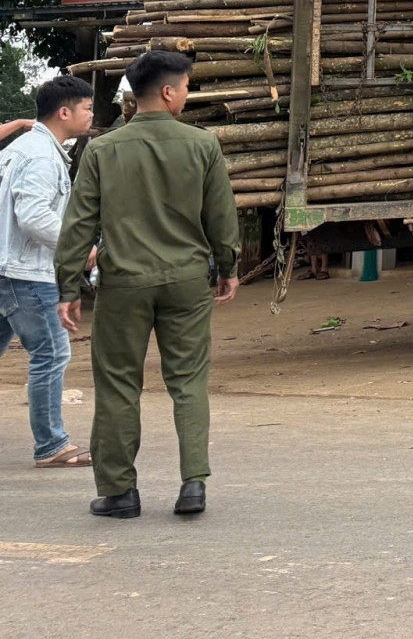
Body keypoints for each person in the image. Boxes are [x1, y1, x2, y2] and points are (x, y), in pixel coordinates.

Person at [55, 50, 239, 519]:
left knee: (118, 385)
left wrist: (68, 287)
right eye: (186, 87)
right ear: (167, 91)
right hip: (186, 281)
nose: (187, 95)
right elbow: (220, 215)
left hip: (124, 283)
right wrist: (228, 266)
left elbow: (79, 224)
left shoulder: (101, 149)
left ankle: (120, 493)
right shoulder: (203, 145)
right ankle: (193, 483)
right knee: (189, 382)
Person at [0, 75, 97, 469]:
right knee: (51, 354)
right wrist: (78, 248)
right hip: (25, 271)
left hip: (7, 264)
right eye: (87, 108)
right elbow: (35, 217)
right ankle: (52, 444)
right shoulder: (40, 155)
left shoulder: (20, 149)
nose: (92, 114)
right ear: (64, 112)